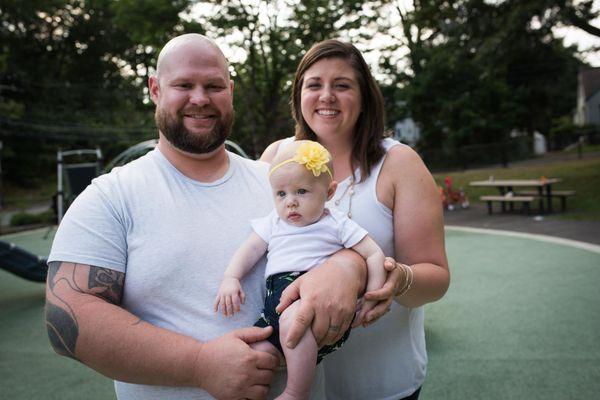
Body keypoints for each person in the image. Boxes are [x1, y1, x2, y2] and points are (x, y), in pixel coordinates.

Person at [44, 34, 389, 400]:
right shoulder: (110, 196)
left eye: (213, 85)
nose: (199, 98)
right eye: (183, 85)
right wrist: (198, 363)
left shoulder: (278, 182)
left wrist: (346, 267)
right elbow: (66, 318)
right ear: (155, 89)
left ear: (231, 91)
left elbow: (340, 236)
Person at [261, 39, 450, 400]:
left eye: (342, 85)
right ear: (299, 96)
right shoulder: (275, 157)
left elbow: (437, 278)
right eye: (314, 84)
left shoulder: (399, 164)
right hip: (291, 387)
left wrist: (398, 280)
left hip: (380, 383)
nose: (326, 96)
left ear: (364, 99)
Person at [214, 140, 386, 399]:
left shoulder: (336, 222)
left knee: (294, 322)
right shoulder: (274, 221)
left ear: (329, 193)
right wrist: (231, 278)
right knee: (254, 355)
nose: (290, 203)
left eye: (302, 191)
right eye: (281, 194)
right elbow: (250, 249)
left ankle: (297, 392)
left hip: (312, 300)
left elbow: (373, 253)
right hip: (275, 303)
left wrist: (373, 295)